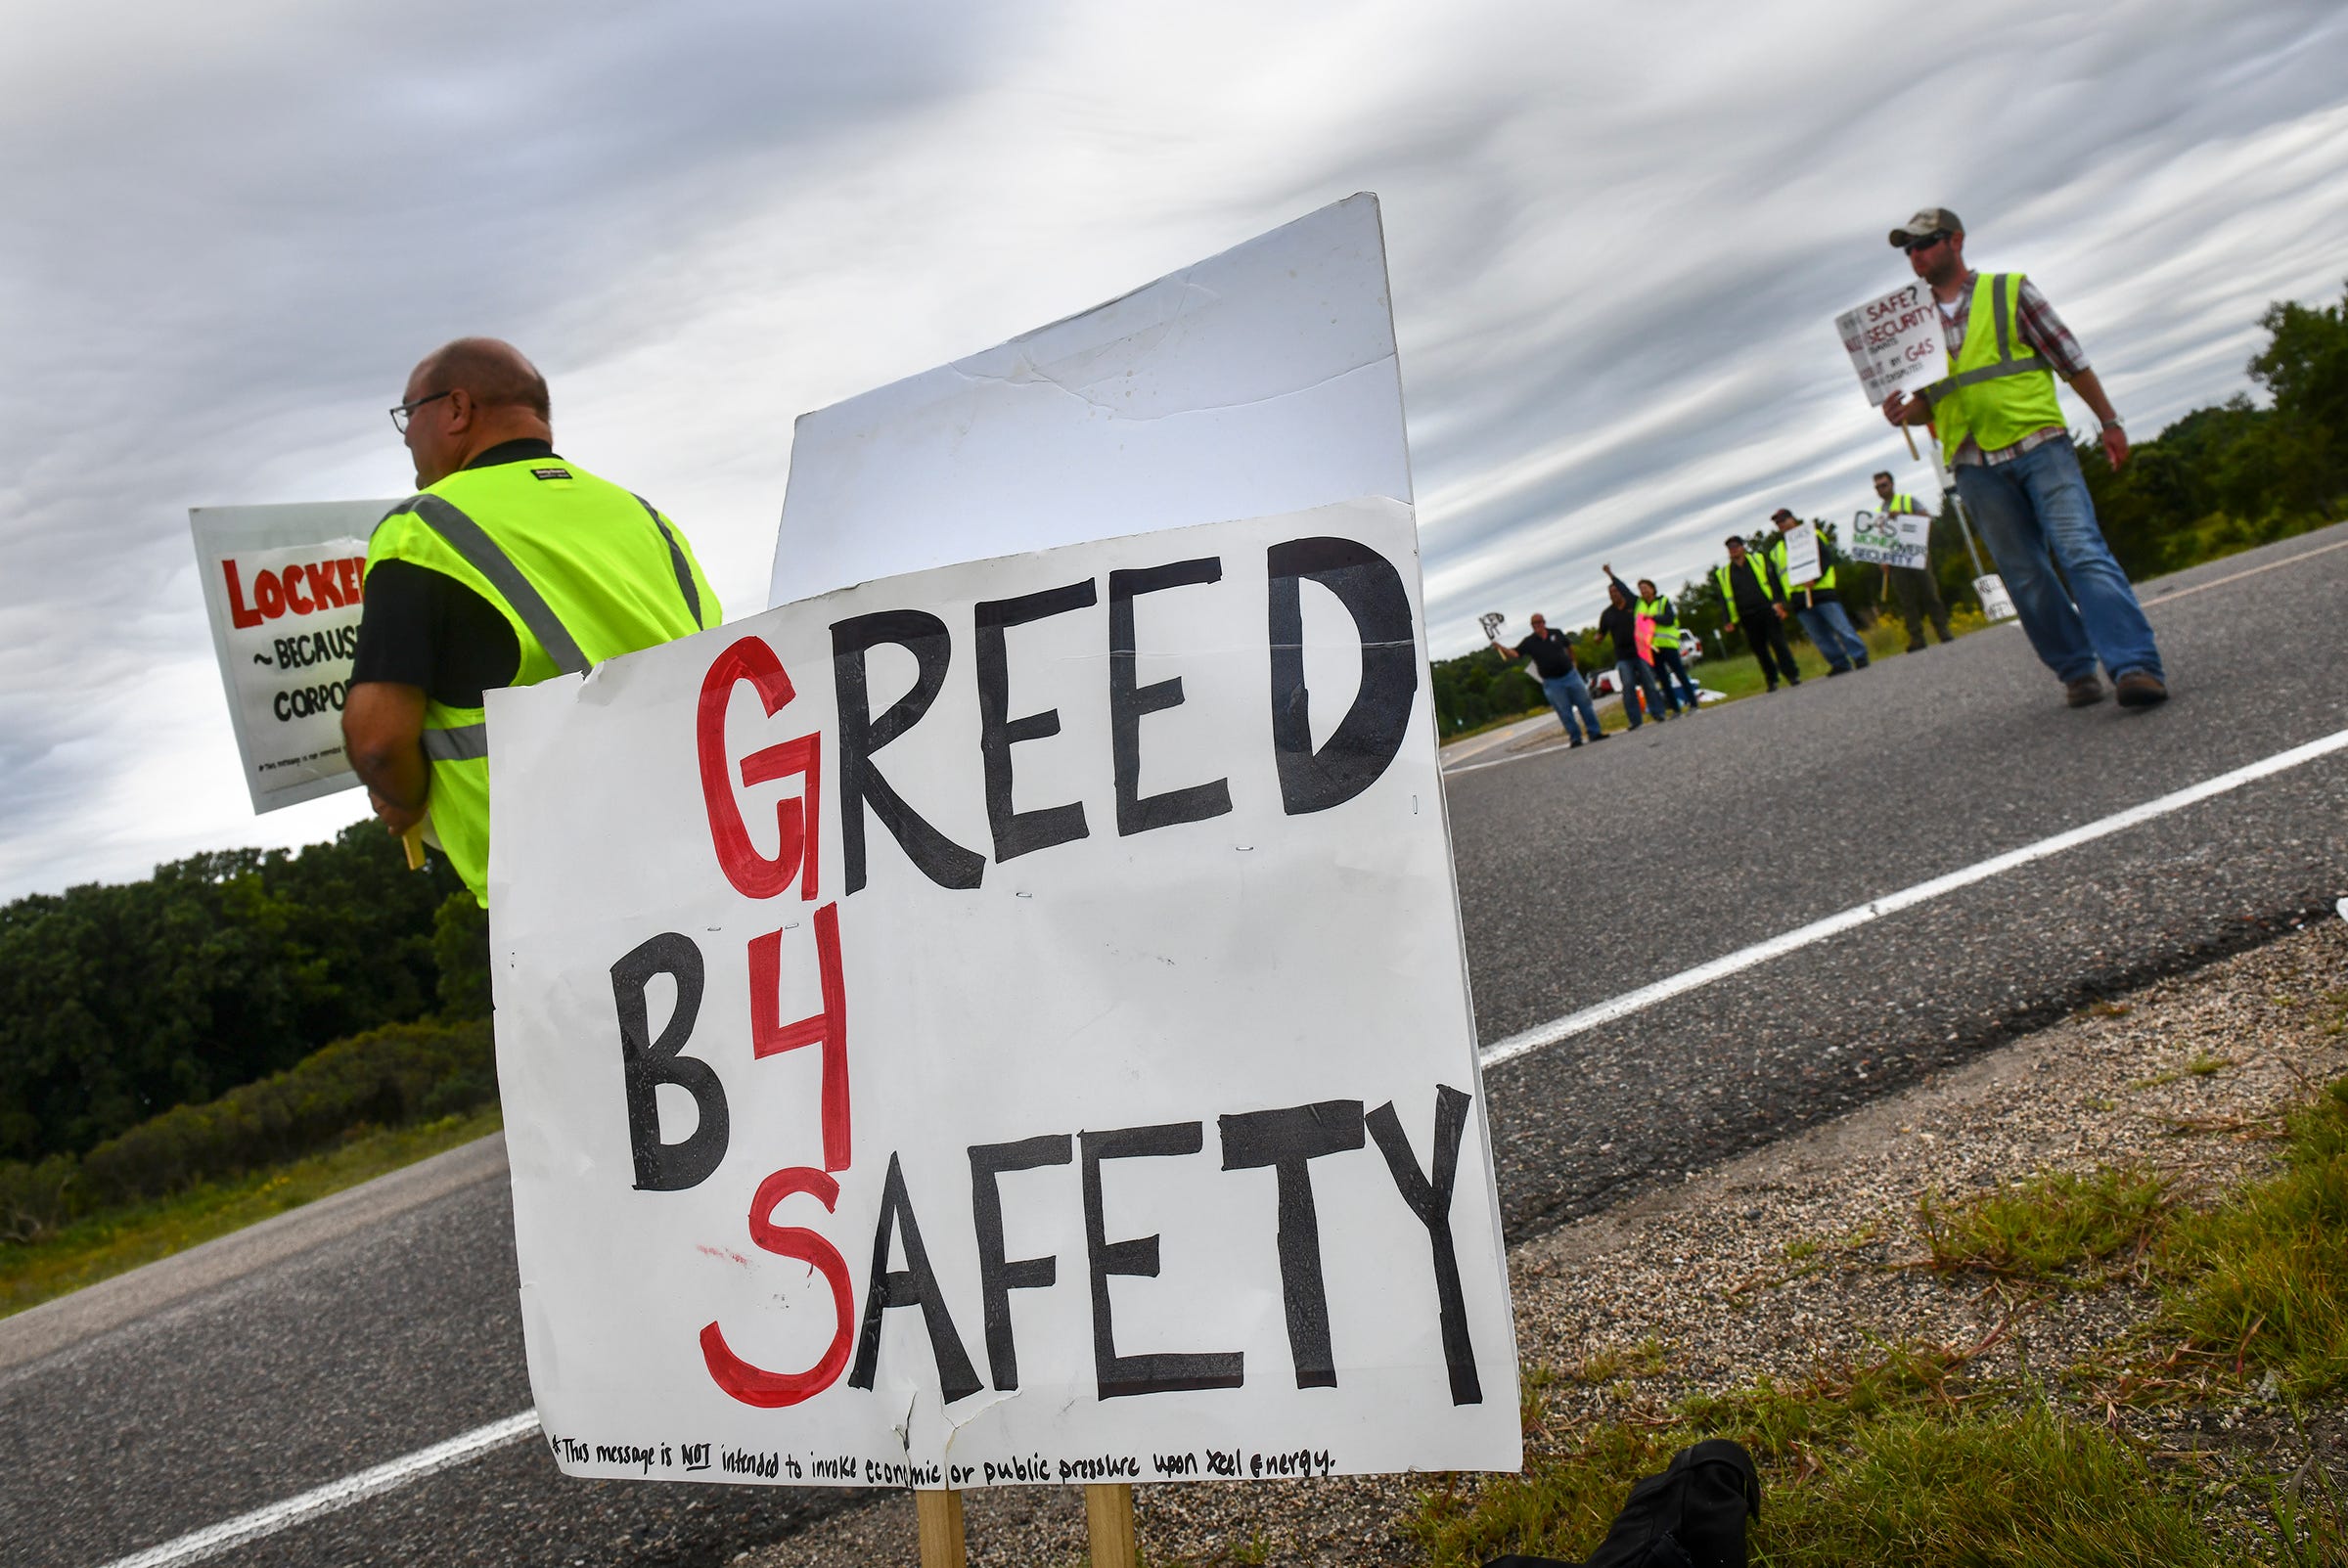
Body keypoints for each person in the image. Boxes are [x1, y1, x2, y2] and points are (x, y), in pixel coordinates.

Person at [342, 338, 722, 906]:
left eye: (408, 414)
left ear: (456, 409)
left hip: (559, 898)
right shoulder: (645, 516)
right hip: (709, 856)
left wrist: (405, 799)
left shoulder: (421, 532)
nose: (405, 436)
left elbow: (376, 743)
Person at [1879, 207, 2167, 708]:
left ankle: (2134, 666)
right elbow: (1932, 397)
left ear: (1956, 241)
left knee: (2079, 550)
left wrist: (2109, 421)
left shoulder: (2009, 290)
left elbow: (2068, 357)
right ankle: (2076, 670)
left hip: (2038, 442)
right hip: (1972, 460)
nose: (1916, 255)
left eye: (1925, 243)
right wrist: (1904, 412)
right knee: (2025, 574)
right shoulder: (1911, 326)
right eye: (1909, 250)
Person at [1768, 509, 1871, 675]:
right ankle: (1839, 662)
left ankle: (1859, 656)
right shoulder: (1777, 550)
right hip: (1798, 598)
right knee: (1818, 635)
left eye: (1784, 520)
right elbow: (1776, 578)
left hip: (1821, 591)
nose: (1782, 525)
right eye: (1778, 523)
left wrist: (1815, 578)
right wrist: (1777, 601)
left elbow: (1826, 559)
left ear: (1792, 519)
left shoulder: (1812, 535)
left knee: (1841, 626)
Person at [1491, 613, 1606, 746]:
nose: (1537, 625)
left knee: (1585, 703)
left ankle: (1594, 732)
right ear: (1532, 626)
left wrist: (1574, 662)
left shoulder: (1556, 633)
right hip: (1552, 681)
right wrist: (1501, 648)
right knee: (1564, 711)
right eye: (1534, 624)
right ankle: (1575, 738)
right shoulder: (1529, 642)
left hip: (1570, 674)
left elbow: (1568, 646)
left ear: (1544, 623)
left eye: (1539, 622)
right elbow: (1515, 654)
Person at [1871, 471, 1953, 650]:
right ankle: (1916, 637)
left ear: (1892, 484)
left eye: (1883, 485)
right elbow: (1880, 538)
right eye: (1877, 487)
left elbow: (1926, 518)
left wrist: (1903, 516)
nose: (1881, 489)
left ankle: (1942, 630)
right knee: (1906, 599)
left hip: (1916, 553)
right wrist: (1882, 559)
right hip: (1896, 558)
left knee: (1930, 592)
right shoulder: (1878, 512)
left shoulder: (1907, 501)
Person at [1605, 564, 1701, 714]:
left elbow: (1670, 619)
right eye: (1641, 589)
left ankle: (1694, 704)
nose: (1643, 591)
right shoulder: (1639, 604)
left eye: (1646, 588)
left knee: (1680, 674)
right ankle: (1676, 709)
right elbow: (1624, 590)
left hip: (1668, 645)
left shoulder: (1663, 601)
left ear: (1653, 589)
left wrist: (1653, 618)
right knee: (1663, 680)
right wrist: (1611, 575)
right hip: (1652, 648)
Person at [1712, 535, 1799, 692]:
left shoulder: (1758, 560)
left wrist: (1779, 602)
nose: (1733, 550)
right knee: (1760, 650)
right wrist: (1727, 620)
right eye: (1730, 548)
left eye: (1735, 546)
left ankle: (1792, 674)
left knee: (1779, 644)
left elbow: (1773, 581)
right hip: (1746, 615)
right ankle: (1772, 679)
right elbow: (1724, 598)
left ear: (1742, 547)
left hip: (1767, 609)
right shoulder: (1724, 573)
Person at [1598, 581, 1671, 726]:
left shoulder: (1635, 605)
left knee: (1649, 684)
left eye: (1616, 591)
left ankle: (1658, 713)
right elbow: (1601, 633)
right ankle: (1635, 721)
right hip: (1623, 656)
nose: (1614, 594)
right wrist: (1597, 638)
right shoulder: (1607, 614)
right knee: (1628, 687)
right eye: (1611, 593)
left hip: (1641, 651)